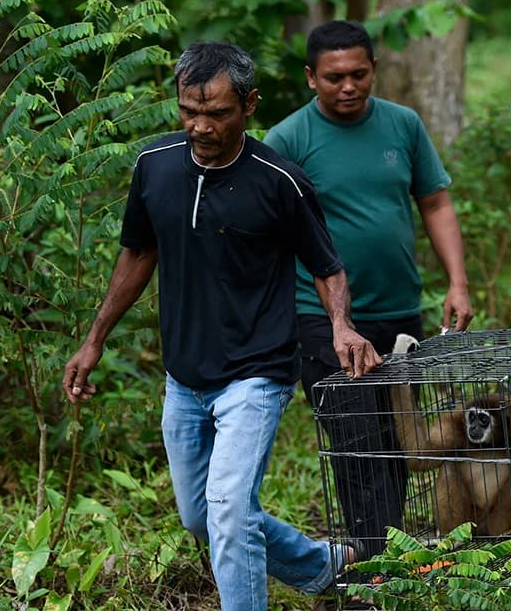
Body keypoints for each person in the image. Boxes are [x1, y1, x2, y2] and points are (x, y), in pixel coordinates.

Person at [62, 41, 381, 611]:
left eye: (218, 113)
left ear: (250, 105)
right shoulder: (153, 167)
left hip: (257, 372)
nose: (201, 126)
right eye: (189, 111)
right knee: (199, 515)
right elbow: (137, 254)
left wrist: (341, 326)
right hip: (184, 374)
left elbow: (326, 266)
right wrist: (93, 341)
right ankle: (323, 565)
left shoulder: (280, 180)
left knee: (230, 511)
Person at [264, 20, 472, 559]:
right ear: (311, 77)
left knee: (400, 442)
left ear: (375, 69)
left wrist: (457, 281)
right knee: (356, 444)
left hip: (400, 311)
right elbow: (267, 233)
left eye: (359, 74)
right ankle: (368, 559)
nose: (349, 87)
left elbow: (435, 202)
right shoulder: (288, 140)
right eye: (334, 77)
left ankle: (387, 555)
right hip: (323, 319)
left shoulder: (403, 125)